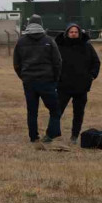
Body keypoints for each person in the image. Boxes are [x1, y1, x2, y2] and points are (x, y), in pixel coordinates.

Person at [14, 14, 62, 146]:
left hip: (29, 81)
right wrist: (55, 79)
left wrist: (24, 76)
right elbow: (57, 62)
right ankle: (50, 134)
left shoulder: (21, 41)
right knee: (55, 110)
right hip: (47, 81)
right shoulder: (49, 40)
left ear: (28, 24)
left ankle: (33, 137)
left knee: (32, 111)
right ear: (41, 24)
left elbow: (17, 63)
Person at [55, 23, 99, 144]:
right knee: (57, 111)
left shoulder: (87, 46)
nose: (73, 34)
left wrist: (91, 76)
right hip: (63, 86)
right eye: (71, 32)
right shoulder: (60, 46)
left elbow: (96, 62)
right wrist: (56, 78)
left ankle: (74, 136)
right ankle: (53, 133)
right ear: (67, 33)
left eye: (76, 32)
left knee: (78, 113)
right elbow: (54, 63)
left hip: (81, 86)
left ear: (79, 33)